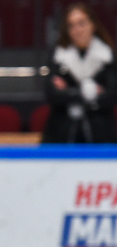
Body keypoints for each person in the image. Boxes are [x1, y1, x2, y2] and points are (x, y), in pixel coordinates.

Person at [42, 3, 117, 144]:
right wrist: (88, 92)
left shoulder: (107, 56)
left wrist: (69, 92)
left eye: (82, 23)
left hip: (101, 136)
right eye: (71, 25)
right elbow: (51, 93)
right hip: (61, 135)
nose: (77, 30)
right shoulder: (57, 56)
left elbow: (112, 95)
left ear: (92, 25)